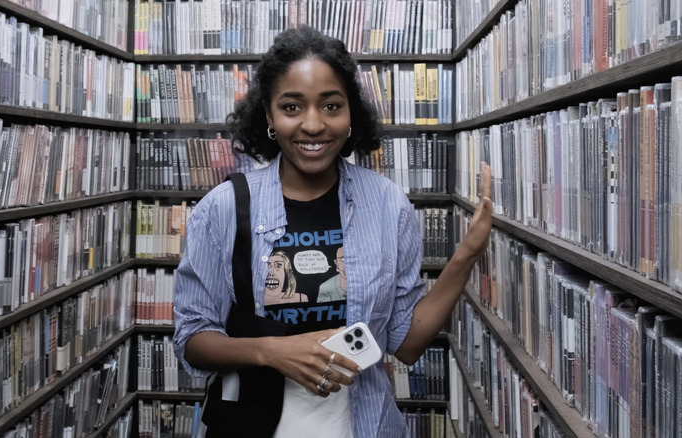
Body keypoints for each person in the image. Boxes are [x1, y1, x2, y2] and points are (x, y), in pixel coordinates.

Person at [173, 26, 494, 438]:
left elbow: (407, 345)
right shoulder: (221, 208)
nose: (312, 124)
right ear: (269, 115)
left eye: (330, 105)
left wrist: (466, 255)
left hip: (364, 425)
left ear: (350, 114)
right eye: (292, 107)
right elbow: (192, 339)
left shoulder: (386, 203)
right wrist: (272, 352)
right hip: (253, 424)